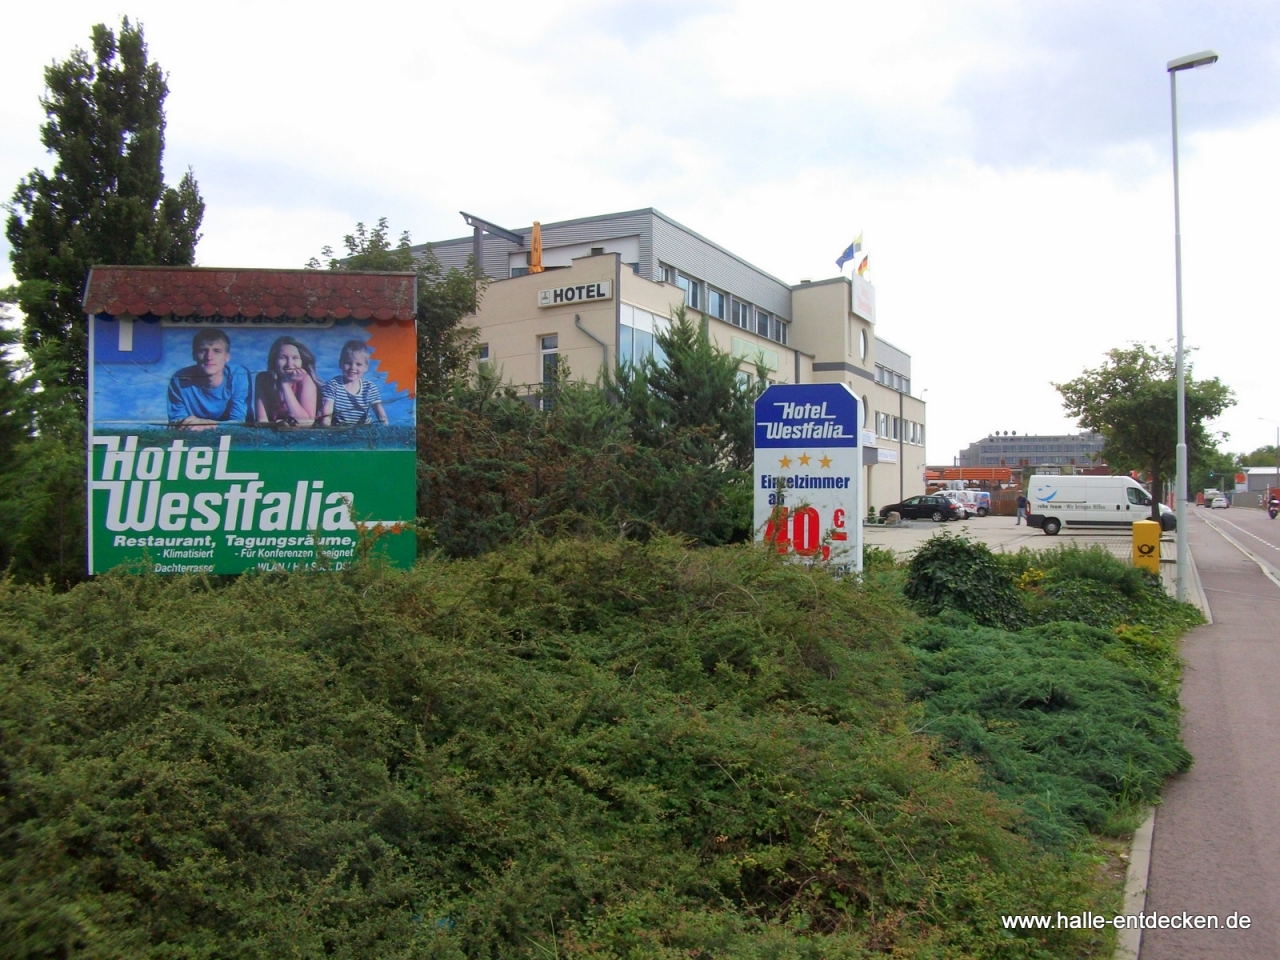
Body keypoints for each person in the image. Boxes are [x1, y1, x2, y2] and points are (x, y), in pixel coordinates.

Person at [167, 328, 251, 428]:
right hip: (193, 434)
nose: (209, 357)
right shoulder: (180, 379)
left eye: (217, 351)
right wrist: (186, 424)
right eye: (203, 350)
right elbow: (176, 422)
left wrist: (208, 425)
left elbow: (238, 421)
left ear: (227, 357)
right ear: (194, 355)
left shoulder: (238, 375)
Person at [255, 336, 322, 426]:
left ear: (302, 361)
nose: (290, 364)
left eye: (295, 358)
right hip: (273, 433)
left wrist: (285, 385)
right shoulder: (262, 379)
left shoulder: (306, 380)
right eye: (283, 358)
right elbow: (261, 421)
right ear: (274, 360)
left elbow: (306, 423)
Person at [319, 340, 388, 426]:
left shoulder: (370, 388)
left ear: (366, 367)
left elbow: (380, 413)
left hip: (364, 428)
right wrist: (325, 430)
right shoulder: (333, 385)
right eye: (348, 363)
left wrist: (386, 428)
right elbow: (327, 411)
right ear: (340, 364)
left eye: (358, 364)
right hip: (339, 428)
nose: (353, 367)